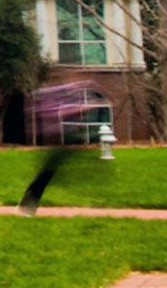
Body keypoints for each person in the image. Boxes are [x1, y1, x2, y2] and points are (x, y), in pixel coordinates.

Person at [19, 82, 104, 215]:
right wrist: (83, 106)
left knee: (47, 174)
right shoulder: (49, 98)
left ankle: (28, 202)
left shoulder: (55, 95)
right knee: (46, 174)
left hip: (59, 141)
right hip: (54, 141)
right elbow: (62, 108)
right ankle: (27, 203)